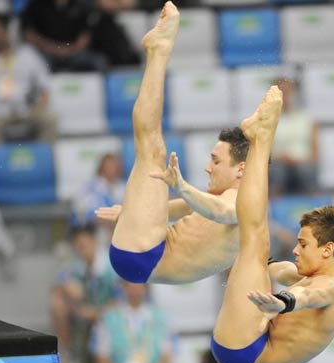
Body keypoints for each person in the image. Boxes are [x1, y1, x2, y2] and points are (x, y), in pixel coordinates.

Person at [96, 2, 248, 285]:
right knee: (152, 150)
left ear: (241, 170)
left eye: (216, 161)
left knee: (152, 149)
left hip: (146, 253)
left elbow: (223, 212)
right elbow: (191, 207)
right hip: (145, 253)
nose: (207, 167)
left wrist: (181, 187)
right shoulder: (221, 198)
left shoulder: (242, 201)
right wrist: (134, 213)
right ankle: (158, 50)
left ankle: (159, 50)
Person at [211, 86, 334, 363]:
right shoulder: (311, 277)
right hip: (246, 345)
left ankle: (260, 142)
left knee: (255, 237)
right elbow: (282, 271)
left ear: (328, 250)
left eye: (303, 245)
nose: (295, 249)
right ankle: (256, 146)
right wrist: (252, 265)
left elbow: (309, 297)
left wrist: (283, 302)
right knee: (252, 246)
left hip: (247, 348)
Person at [51, 224, 121, 363]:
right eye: (78, 245)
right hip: (83, 311)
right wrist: (67, 290)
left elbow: (121, 300)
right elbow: (56, 289)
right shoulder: (75, 265)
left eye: (84, 245)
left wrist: (96, 312)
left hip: (108, 313)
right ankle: (67, 352)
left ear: (94, 242)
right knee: (57, 304)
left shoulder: (111, 266)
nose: (81, 249)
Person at [0, 13, 56, 143]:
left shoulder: (28, 54)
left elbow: (45, 86)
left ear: (9, 31)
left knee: (50, 119)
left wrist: (40, 107)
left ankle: (44, 160)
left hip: (28, 109)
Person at [21, 0, 106, 72]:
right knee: (32, 62)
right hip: (46, 53)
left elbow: (85, 36)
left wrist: (69, 50)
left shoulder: (80, 6)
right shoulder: (37, 5)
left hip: (73, 53)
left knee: (99, 61)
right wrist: (54, 49)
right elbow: (29, 34)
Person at [269, 77, 319, 196]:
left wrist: (297, 160)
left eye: (287, 93)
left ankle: (311, 205)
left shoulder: (308, 119)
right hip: (278, 163)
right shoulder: (268, 121)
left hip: (303, 163)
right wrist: (280, 158)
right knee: (277, 172)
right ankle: (272, 207)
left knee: (306, 171)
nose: (285, 97)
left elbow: (316, 154)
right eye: (281, 93)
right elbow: (263, 154)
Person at [71, 153, 125, 227]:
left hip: (118, 227)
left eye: (114, 166)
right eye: (108, 166)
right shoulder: (90, 186)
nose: (112, 169)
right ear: (102, 167)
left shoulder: (123, 187)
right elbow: (84, 212)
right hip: (91, 227)